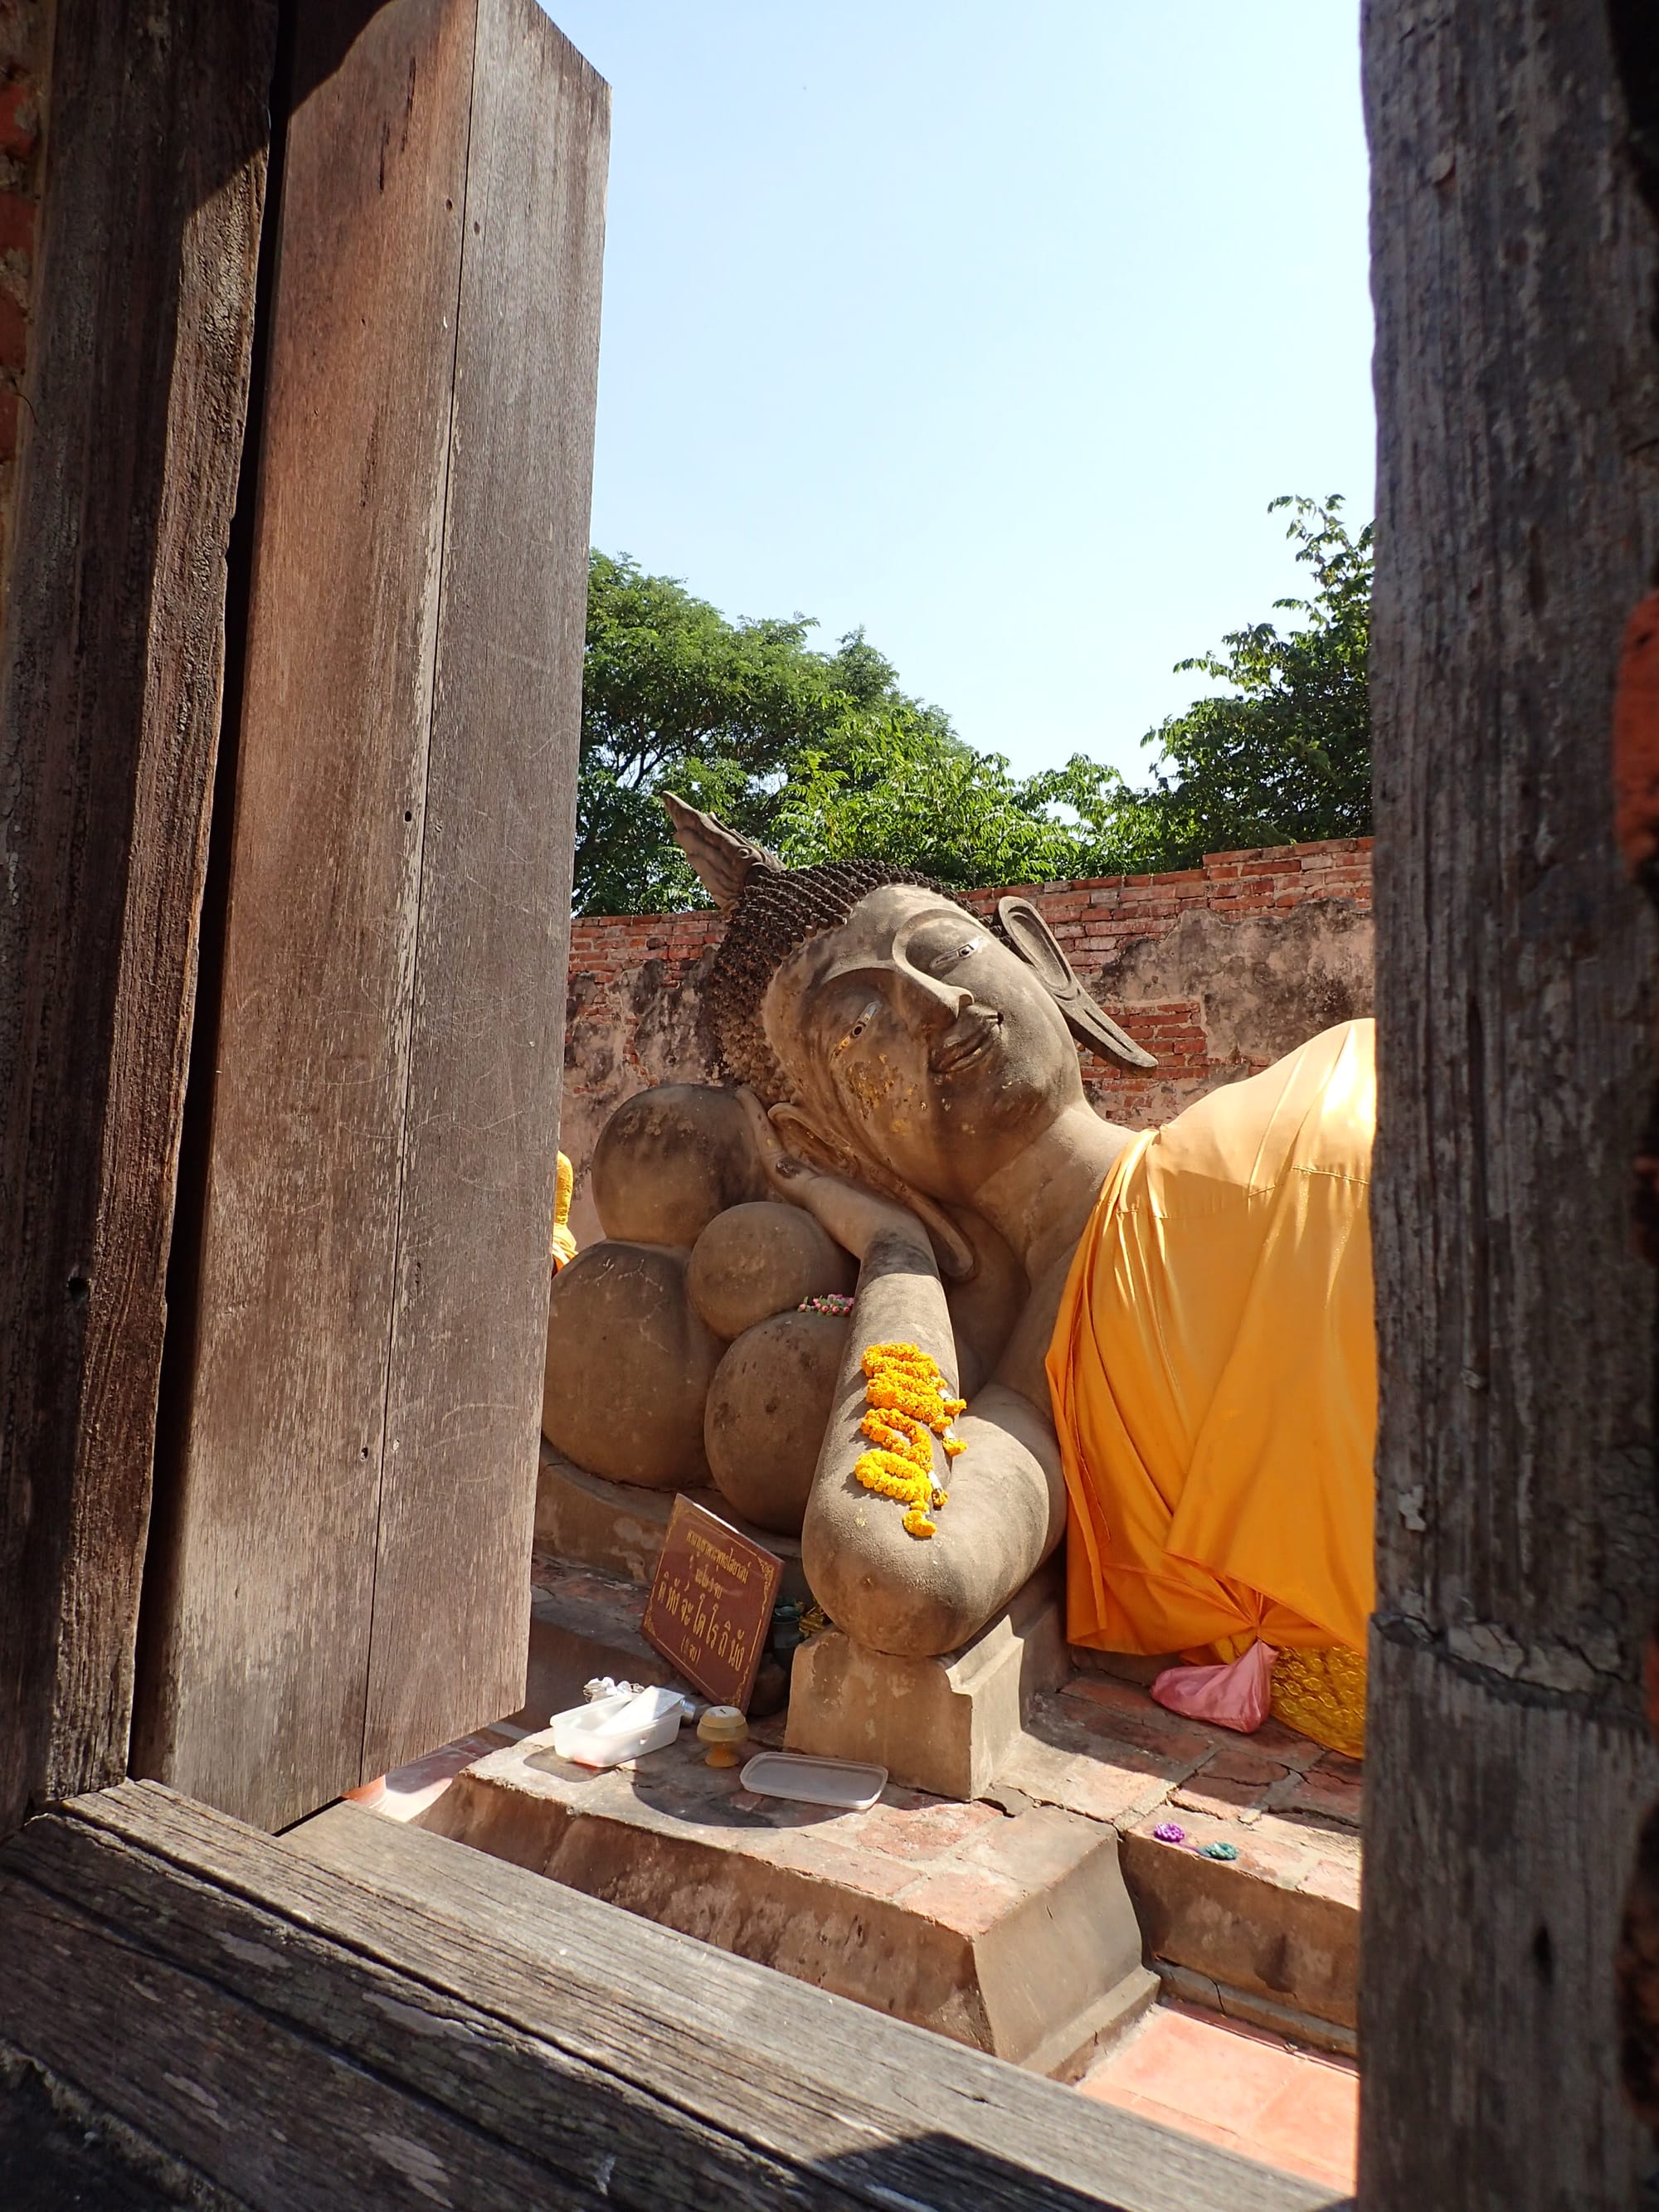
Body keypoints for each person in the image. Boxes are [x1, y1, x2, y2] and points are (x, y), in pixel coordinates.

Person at [665, 795, 1374, 1753]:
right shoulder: (1040, 1396)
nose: (935, 1004)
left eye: (945, 953)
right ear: (824, 1145)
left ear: (1041, 961)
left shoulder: (1342, 1075)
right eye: (859, 1024)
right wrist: (894, 1251)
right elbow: (892, 1573)